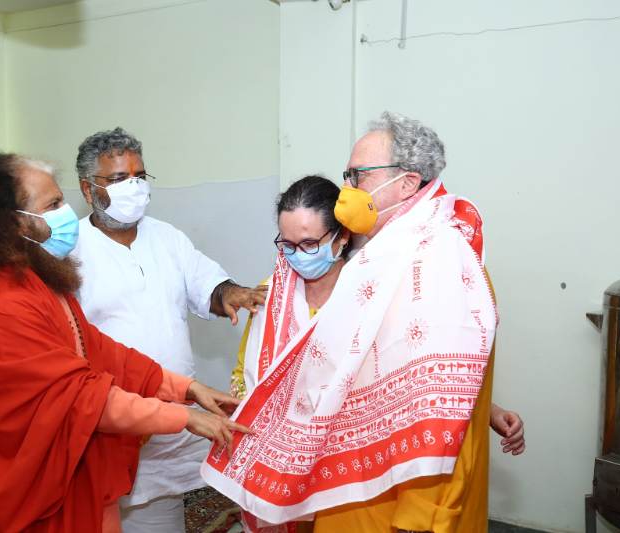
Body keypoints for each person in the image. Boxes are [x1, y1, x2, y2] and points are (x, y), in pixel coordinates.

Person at [204, 112, 519, 532]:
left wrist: (418, 520)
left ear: (407, 182)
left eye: (359, 176)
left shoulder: (435, 260)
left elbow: (437, 413)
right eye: (347, 176)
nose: (347, 193)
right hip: (356, 496)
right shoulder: (390, 258)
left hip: (396, 512)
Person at [0, 152, 249, 532]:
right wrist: (184, 417)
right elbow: (82, 397)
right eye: (53, 204)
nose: (66, 213)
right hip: (33, 485)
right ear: (12, 223)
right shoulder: (1, 303)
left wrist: (185, 388)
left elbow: (98, 350)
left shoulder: (39, 280)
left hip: (78, 466)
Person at [72, 127, 266, 533]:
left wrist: (231, 293)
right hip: (110, 420)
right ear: (88, 189)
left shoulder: (166, 237)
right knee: (97, 510)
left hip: (171, 418)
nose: (134, 187)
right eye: (119, 179)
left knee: (160, 515)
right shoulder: (70, 251)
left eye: (139, 176)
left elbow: (206, 284)